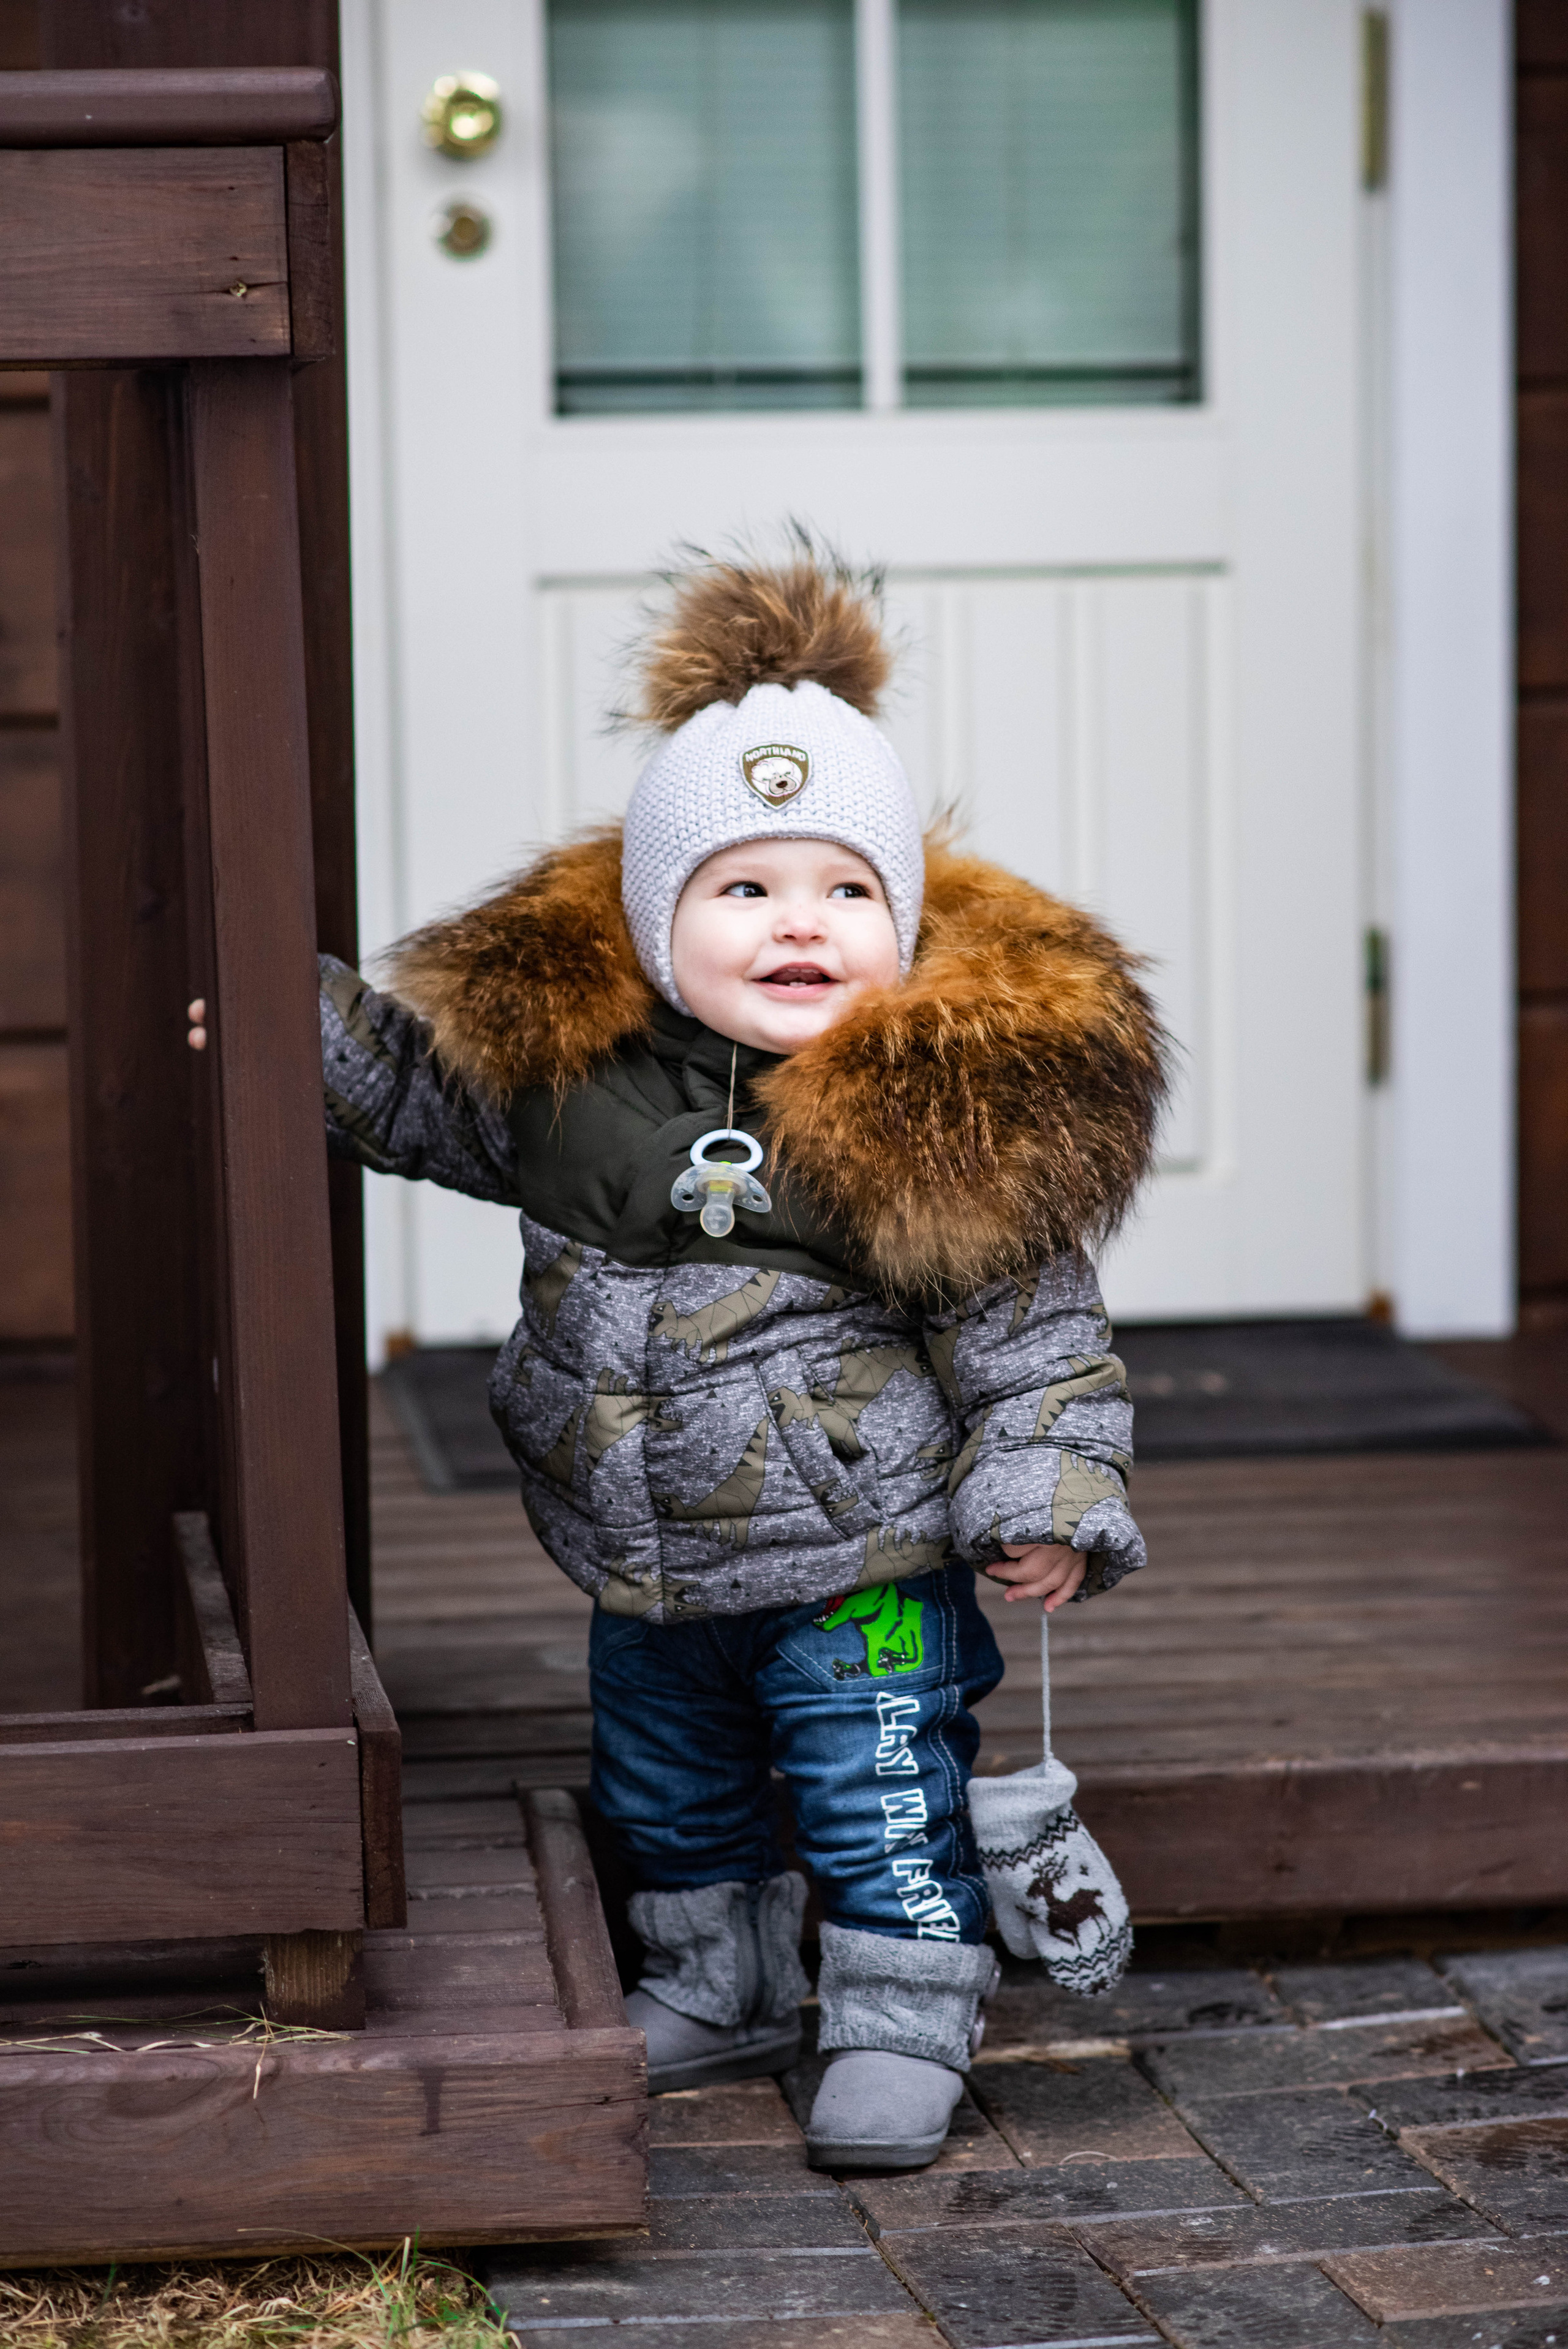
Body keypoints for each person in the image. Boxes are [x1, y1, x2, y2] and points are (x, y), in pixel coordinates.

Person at [318, 546, 1166, 2170]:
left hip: (861, 1563)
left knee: (875, 1796)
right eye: (748, 888)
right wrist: (293, 1022)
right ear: (656, 923)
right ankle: (719, 1983)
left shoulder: (923, 1112)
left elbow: (1034, 1334)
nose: (804, 925)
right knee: (667, 1788)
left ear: (900, 924)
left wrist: (1049, 1489)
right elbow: (418, 1099)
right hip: (646, 1563)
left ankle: (904, 2019)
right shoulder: (571, 1082)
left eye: (849, 892)